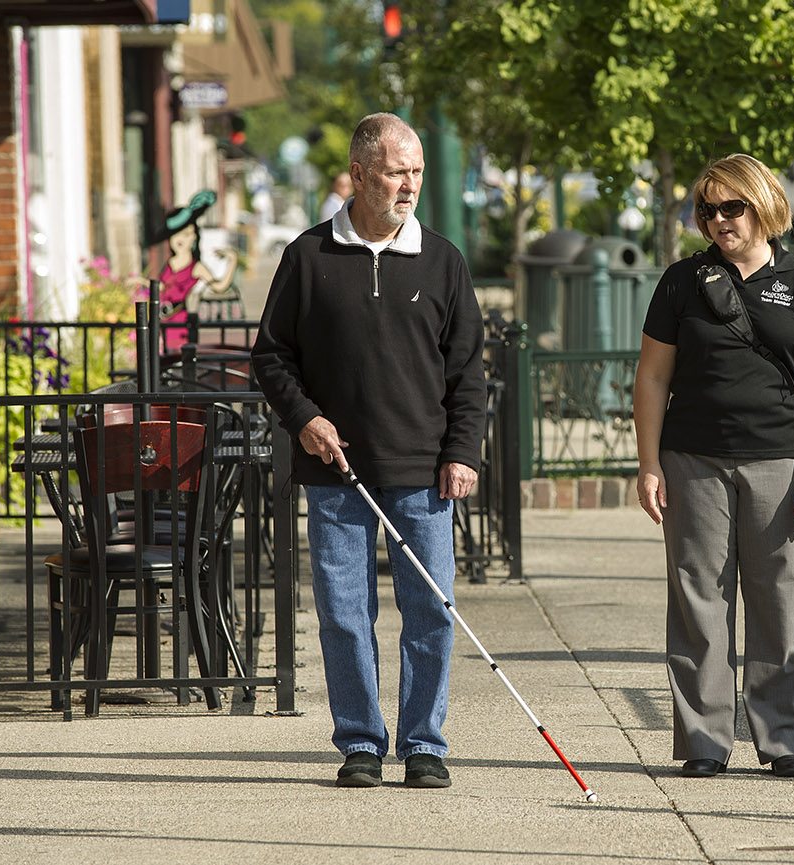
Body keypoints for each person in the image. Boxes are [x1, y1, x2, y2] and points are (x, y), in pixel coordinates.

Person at [252, 113, 486, 790]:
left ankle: (423, 743)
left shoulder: (443, 260)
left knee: (431, 612)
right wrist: (305, 419)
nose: (409, 184)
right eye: (394, 171)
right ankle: (359, 739)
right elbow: (272, 354)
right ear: (359, 175)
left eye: (416, 171)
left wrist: (463, 452)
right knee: (344, 615)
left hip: (425, 474)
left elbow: (468, 370)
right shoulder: (308, 256)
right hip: (336, 472)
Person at [632, 153, 794, 780]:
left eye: (733, 207)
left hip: (782, 461)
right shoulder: (680, 282)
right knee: (699, 597)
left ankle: (785, 741)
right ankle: (704, 742)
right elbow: (651, 378)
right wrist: (648, 464)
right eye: (708, 209)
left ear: (763, 207)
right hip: (693, 459)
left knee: (780, 599)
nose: (719, 220)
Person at [153, 190, 240, 347]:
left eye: (186, 234)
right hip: (163, 323)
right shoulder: (170, 264)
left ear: (194, 237)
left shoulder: (196, 267)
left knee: (180, 361)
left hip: (182, 324)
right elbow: (160, 287)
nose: (180, 239)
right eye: (176, 234)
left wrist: (232, 260)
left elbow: (219, 286)